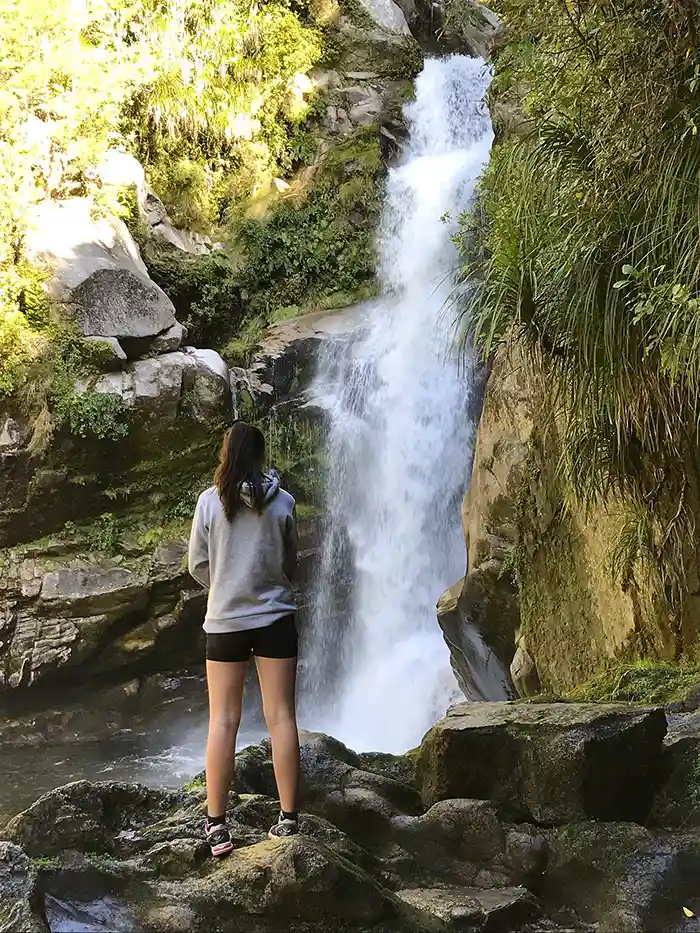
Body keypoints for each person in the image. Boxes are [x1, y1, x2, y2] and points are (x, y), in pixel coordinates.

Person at [188, 421, 301, 857]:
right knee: (282, 717)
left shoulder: (208, 504)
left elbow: (198, 564)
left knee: (222, 721)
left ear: (226, 454)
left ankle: (217, 826)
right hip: (275, 619)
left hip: (224, 622)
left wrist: (224, 586)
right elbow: (290, 561)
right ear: (259, 455)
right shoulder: (284, 502)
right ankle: (288, 819)